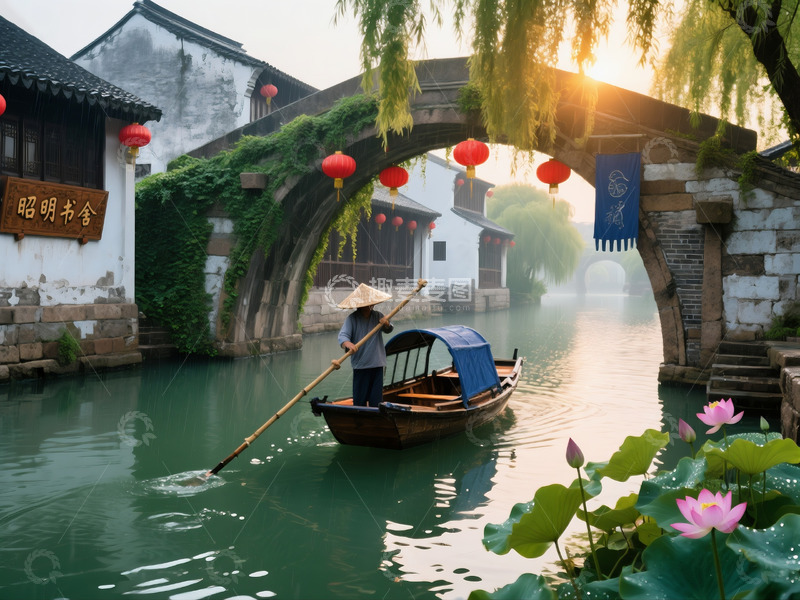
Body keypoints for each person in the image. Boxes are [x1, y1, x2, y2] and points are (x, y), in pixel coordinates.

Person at [337, 283, 394, 407]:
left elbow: (388, 329)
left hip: (377, 363)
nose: (369, 306)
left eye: (371, 304)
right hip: (361, 365)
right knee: (360, 400)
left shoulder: (378, 316)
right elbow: (343, 337)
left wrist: (386, 323)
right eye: (366, 304)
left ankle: (375, 420)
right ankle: (359, 420)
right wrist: (349, 344)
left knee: (376, 400)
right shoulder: (352, 319)